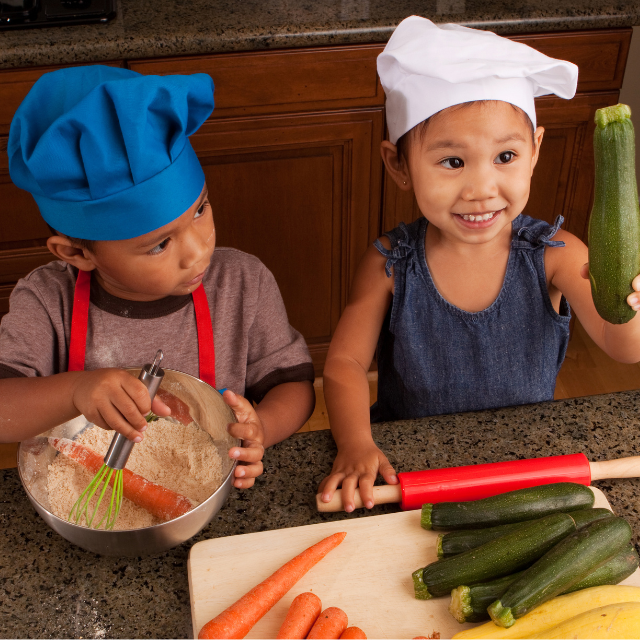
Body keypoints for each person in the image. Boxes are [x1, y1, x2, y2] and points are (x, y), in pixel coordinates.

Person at [318, 16, 640, 511]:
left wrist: (634, 305)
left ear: (534, 151)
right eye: (452, 162)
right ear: (398, 164)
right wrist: (357, 442)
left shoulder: (556, 255)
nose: (481, 189)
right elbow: (344, 363)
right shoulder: (390, 262)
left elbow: (623, 347)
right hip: (410, 467)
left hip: (523, 466)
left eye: (505, 156)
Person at [0, 65, 316, 490]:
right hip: (83, 494)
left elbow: (294, 385)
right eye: (159, 245)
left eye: (200, 210)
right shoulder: (46, 301)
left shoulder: (242, 283)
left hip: (212, 490)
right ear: (78, 253)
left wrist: (262, 427)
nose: (199, 250)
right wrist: (77, 391)